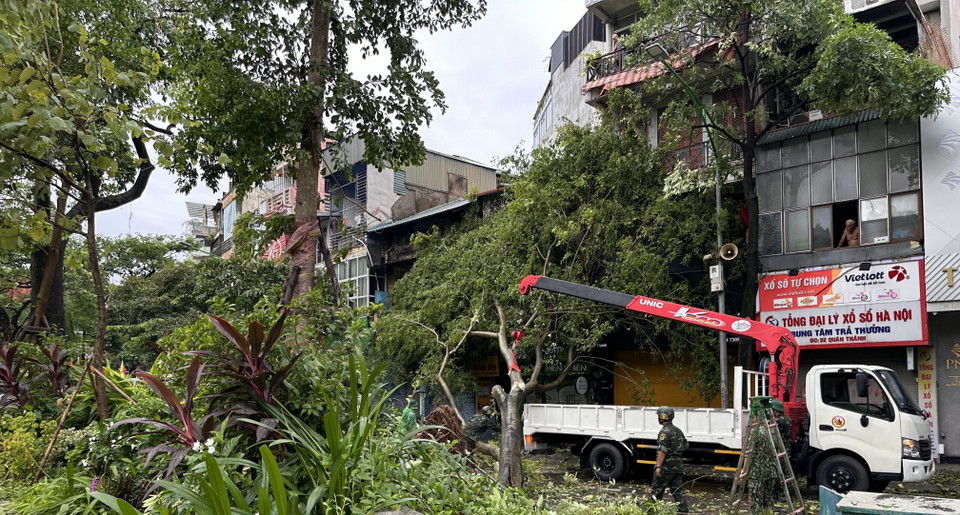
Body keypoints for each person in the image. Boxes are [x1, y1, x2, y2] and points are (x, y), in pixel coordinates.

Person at [652, 406, 689, 512]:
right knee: (677, 492)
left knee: (656, 492)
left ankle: (652, 512)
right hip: (678, 466)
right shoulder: (678, 431)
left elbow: (662, 450)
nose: (658, 418)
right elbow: (685, 445)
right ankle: (683, 511)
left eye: (659, 416)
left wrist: (658, 466)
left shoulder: (664, 432)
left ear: (663, 417)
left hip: (666, 467)